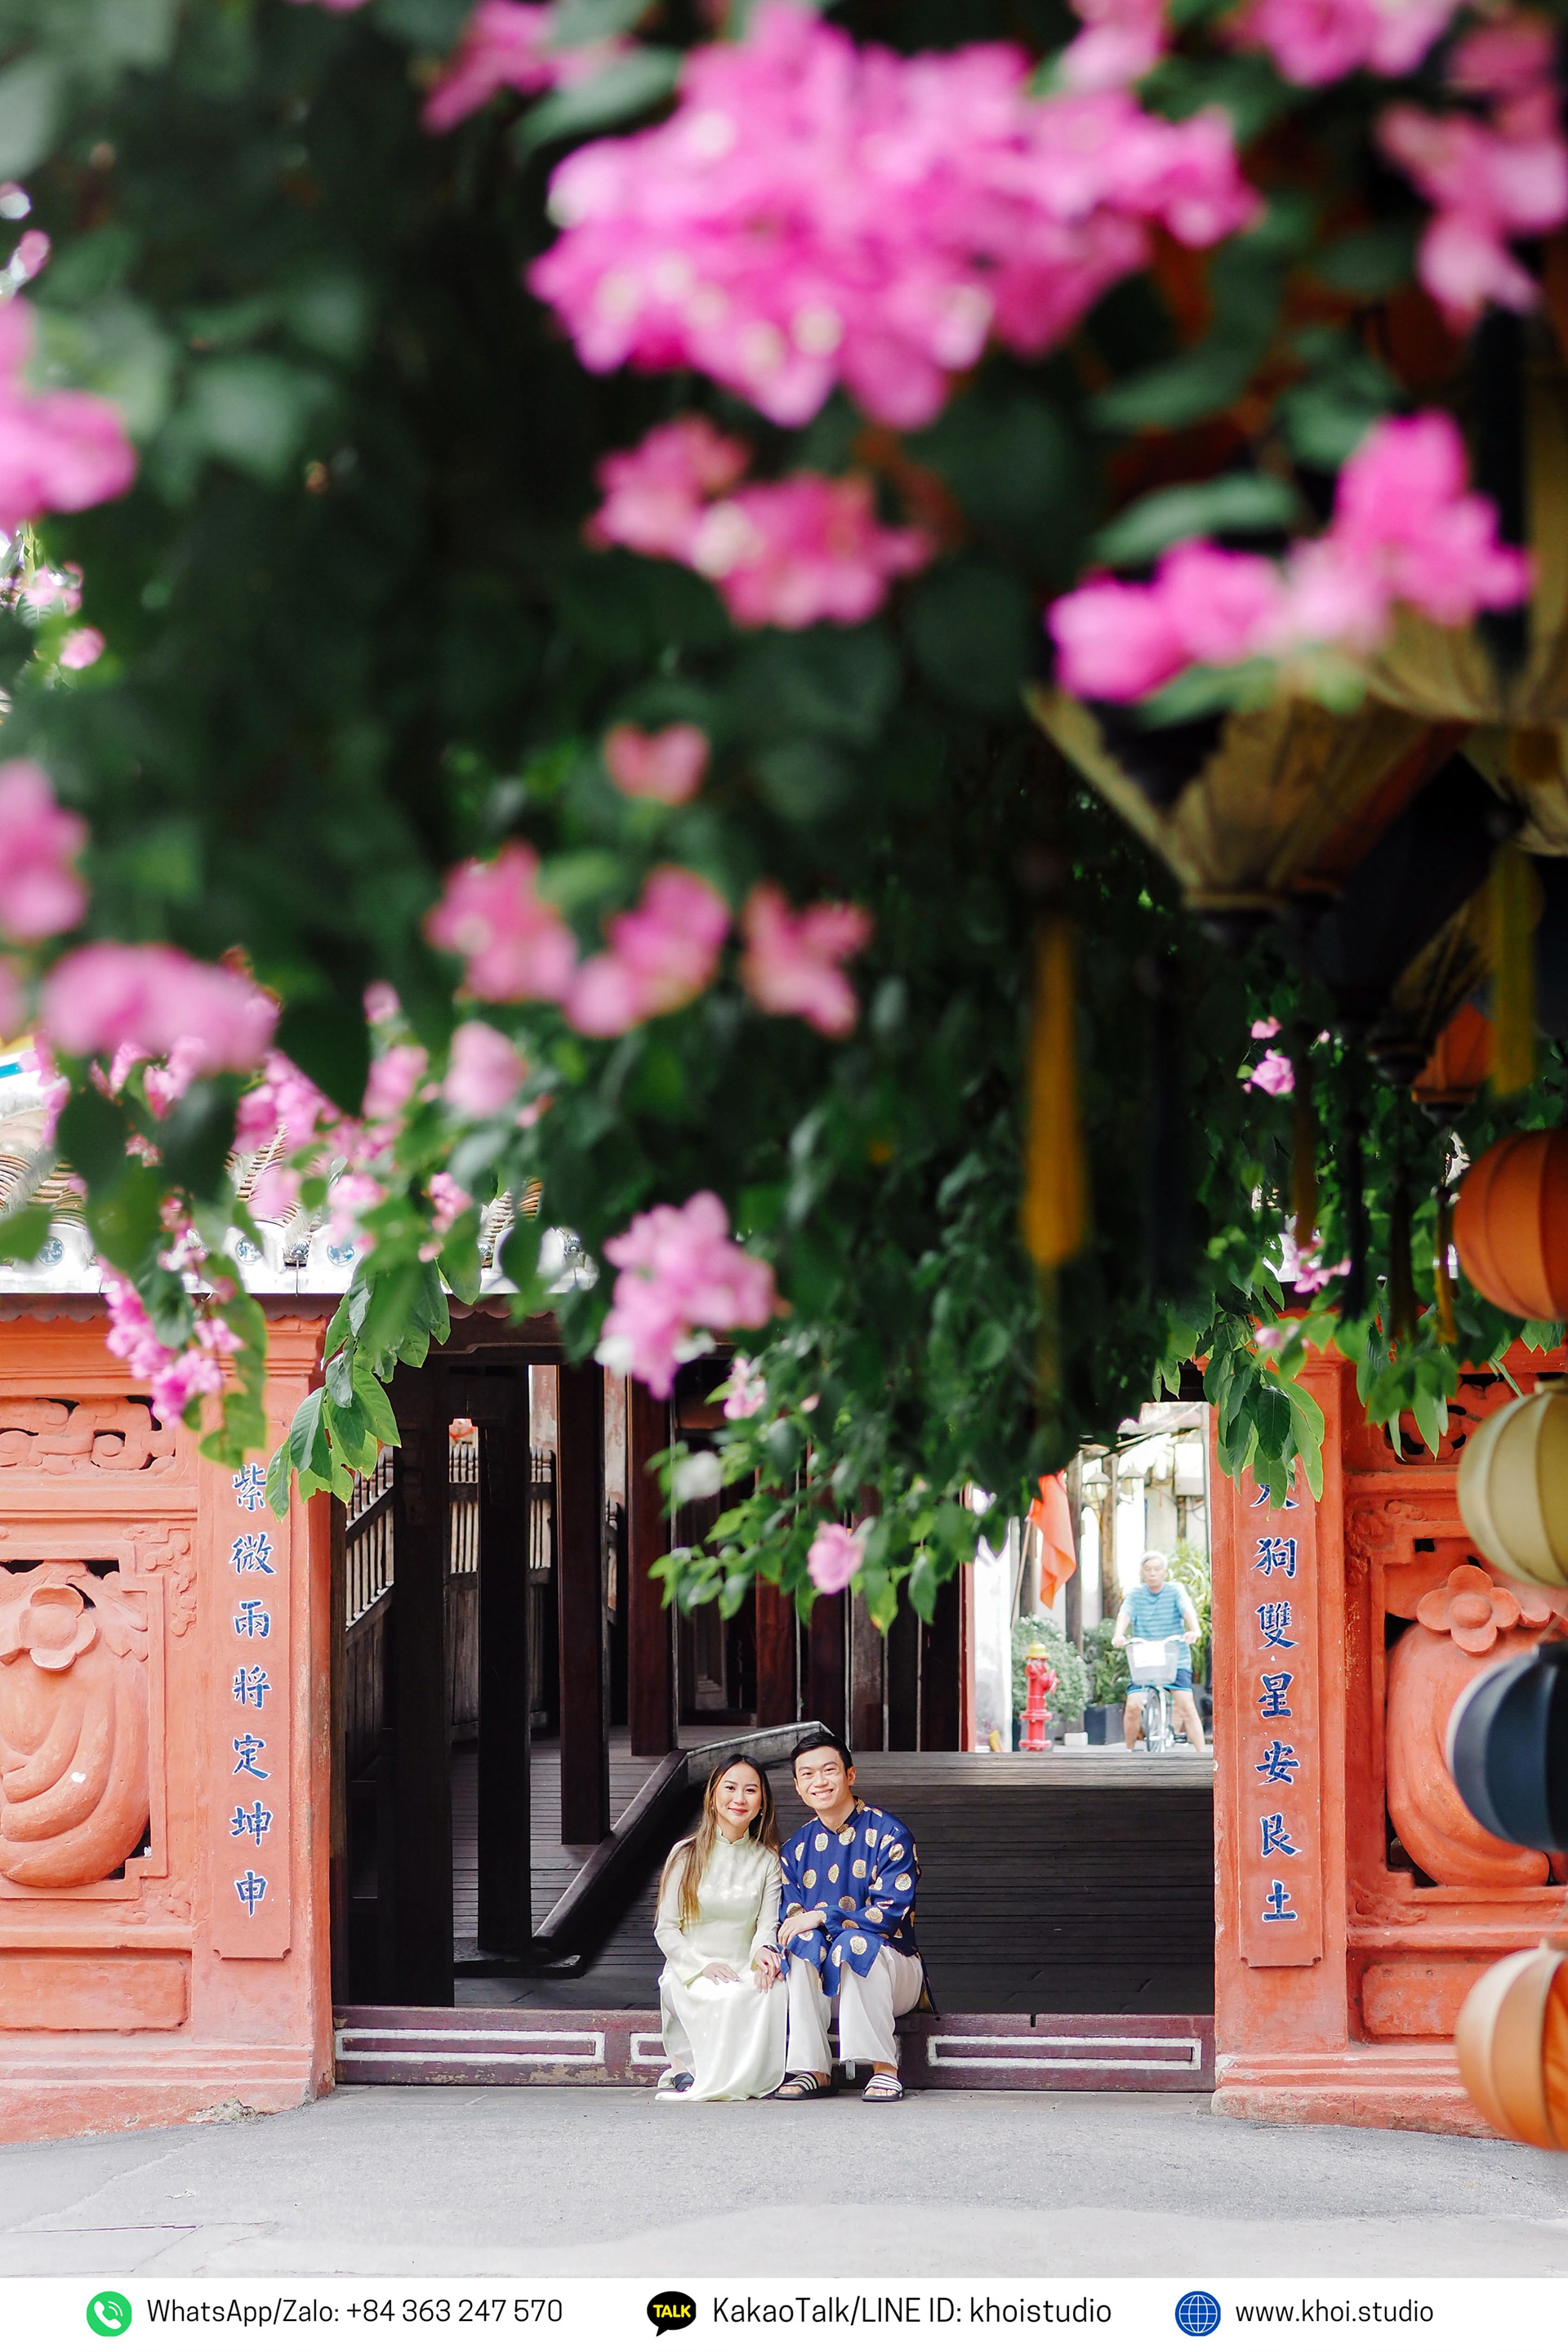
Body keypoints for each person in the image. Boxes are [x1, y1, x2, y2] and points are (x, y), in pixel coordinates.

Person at [771, 1734, 924, 2105]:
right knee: (800, 1942)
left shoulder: (890, 1834)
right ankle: (814, 2070)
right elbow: (791, 1918)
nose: (818, 1781)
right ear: (797, 1785)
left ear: (850, 1775)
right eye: (807, 1774)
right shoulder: (795, 1850)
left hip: (892, 1972)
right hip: (827, 1980)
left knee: (855, 1942)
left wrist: (825, 1916)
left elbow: (888, 1914)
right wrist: (809, 1926)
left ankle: (884, 2069)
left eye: (829, 1770)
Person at [653, 1753, 787, 2101]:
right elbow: (666, 1929)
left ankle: (745, 2077)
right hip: (693, 1967)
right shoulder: (685, 1854)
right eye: (730, 1788)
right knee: (722, 1994)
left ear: (762, 1804)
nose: (739, 1799)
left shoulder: (768, 1860)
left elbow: (767, 1924)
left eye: (750, 1791)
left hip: (744, 1965)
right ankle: (691, 2068)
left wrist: (764, 1954)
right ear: (713, 1796)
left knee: (771, 1990)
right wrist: (702, 1965)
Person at [1113, 1549, 1207, 1756]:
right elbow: (1124, 1614)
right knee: (1133, 1706)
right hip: (1145, 1659)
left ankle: (1203, 1757)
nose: (1153, 1573)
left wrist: (1195, 1630)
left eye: (1157, 1569)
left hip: (1175, 1658)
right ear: (1142, 1573)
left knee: (1186, 1706)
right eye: (1148, 1570)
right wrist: (1118, 1635)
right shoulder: (1136, 1594)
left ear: (1165, 1572)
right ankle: (1128, 1752)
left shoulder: (1175, 1590)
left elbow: (1187, 1609)